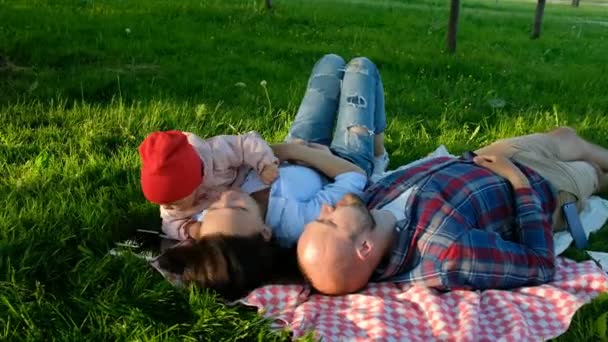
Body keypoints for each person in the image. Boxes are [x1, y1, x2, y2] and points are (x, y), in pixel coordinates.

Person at [297, 127, 608, 295]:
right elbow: (539, 265)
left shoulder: (369, 207)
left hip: (486, 159)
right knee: (593, 171)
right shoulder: (446, 254)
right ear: (364, 247)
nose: (325, 207)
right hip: (541, 186)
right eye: (329, 222)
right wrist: (519, 181)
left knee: (564, 136)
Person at [193, 54, 389, 247]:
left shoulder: (214, 224)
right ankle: (378, 154)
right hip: (343, 163)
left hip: (297, 146)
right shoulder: (292, 223)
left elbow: (177, 223)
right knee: (361, 68)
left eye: (215, 207)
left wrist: (292, 149)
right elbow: (354, 176)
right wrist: (296, 152)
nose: (227, 197)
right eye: (239, 208)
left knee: (330, 64)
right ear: (265, 232)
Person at [138, 130, 280, 240]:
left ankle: (291, 149)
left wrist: (265, 165)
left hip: (243, 175)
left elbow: (246, 145)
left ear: (193, 185)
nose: (168, 208)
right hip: (229, 199)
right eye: (164, 205)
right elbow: (169, 224)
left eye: (174, 204)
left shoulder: (217, 154)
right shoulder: (171, 205)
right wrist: (190, 229)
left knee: (271, 186)